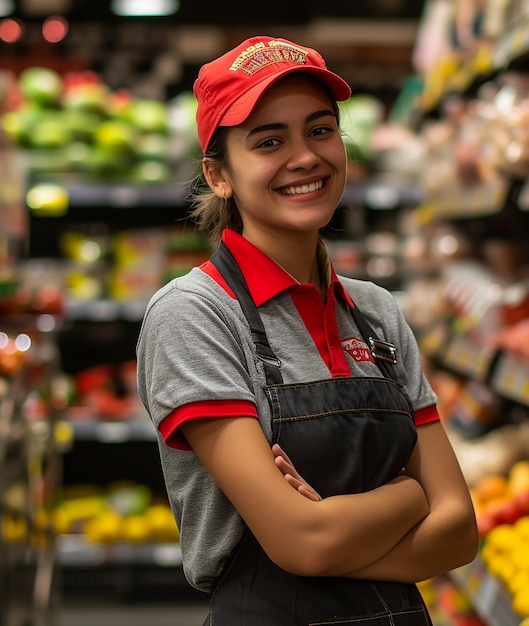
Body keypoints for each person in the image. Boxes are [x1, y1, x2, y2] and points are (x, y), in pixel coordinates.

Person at [136, 35, 478, 625]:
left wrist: (331, 534)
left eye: (320, 130)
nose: (305, 157)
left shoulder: (377, 312)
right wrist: (408, 496)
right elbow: (302, 544)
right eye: (270, 141)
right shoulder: (196, 315)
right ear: (219, 175)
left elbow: (459, 533)